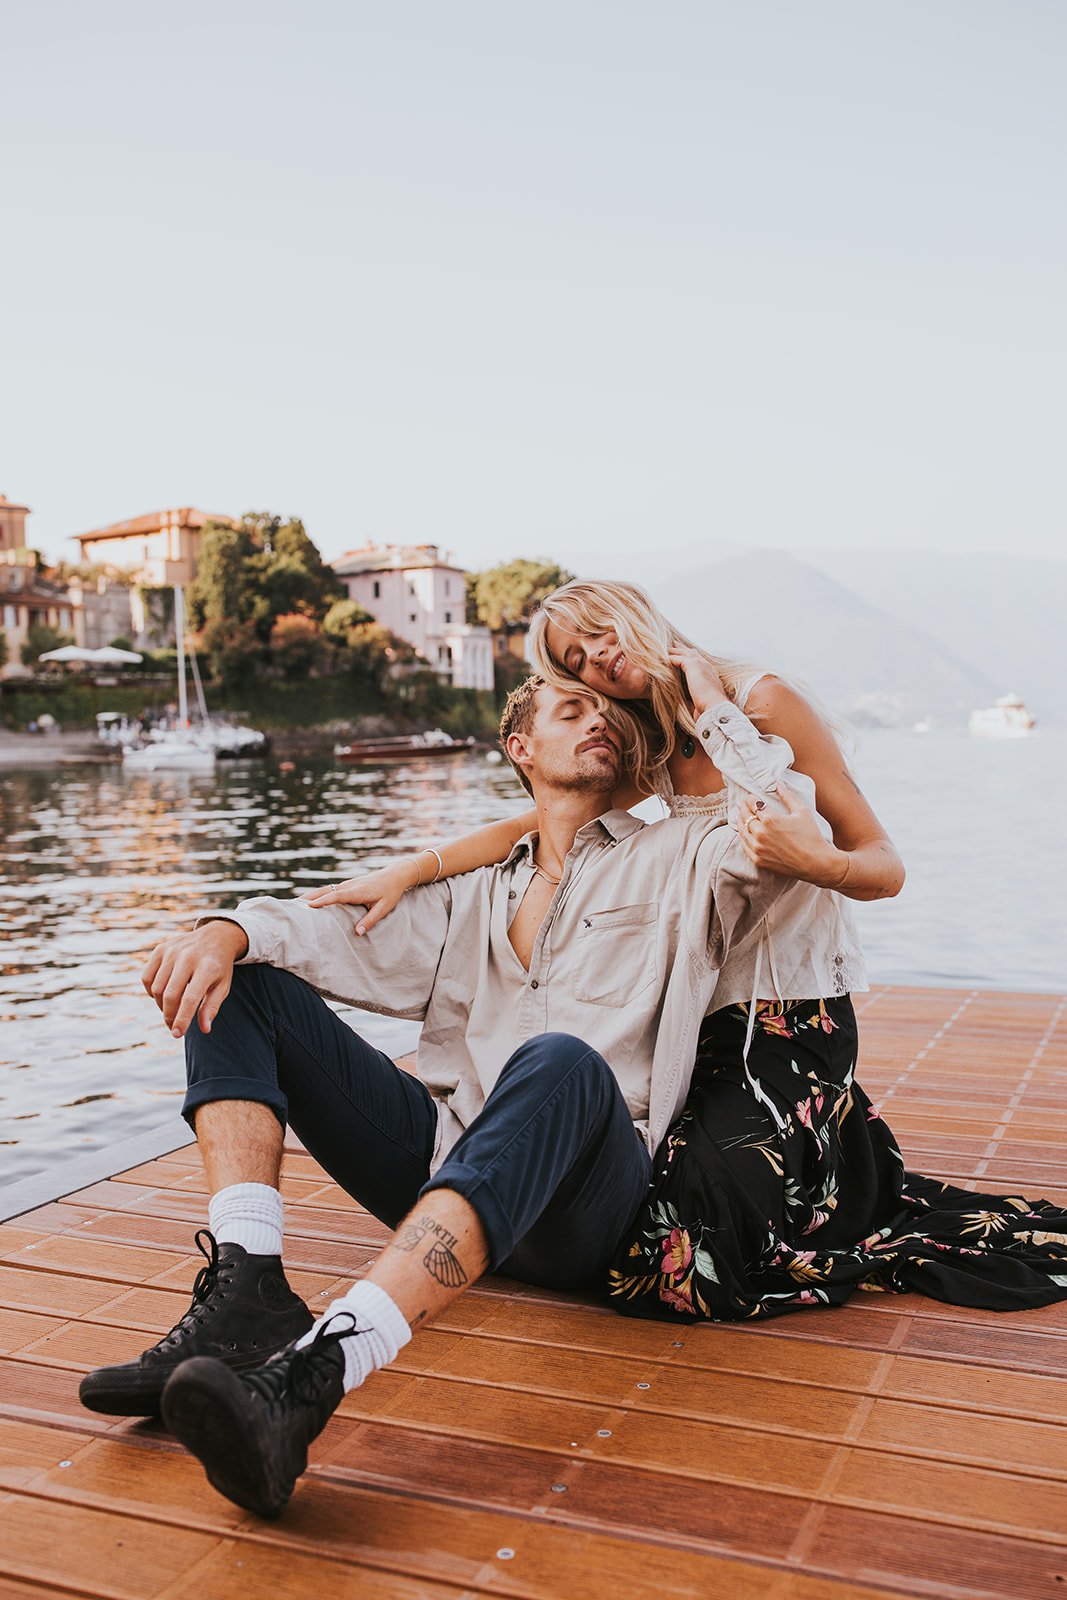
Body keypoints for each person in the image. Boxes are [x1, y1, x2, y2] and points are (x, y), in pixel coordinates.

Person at [79, 675, 801, 1518]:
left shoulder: (683, 857)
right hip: (445, 1175)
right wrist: (223, 931)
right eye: (571, 711)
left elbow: (783, 817)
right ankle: (248, 1290)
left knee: (559, 1061)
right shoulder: (472, 891)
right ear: (519, 747)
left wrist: (697, 688)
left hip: (586, 1213)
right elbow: (322, 932)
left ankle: (313, 1376)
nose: (598, 719)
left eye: (609, 712)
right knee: (241, 978)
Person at [310, 579, 1067, 1322]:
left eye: (600, 633)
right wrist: (412, 868)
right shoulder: (651, 738)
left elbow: (882, 864)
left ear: (636, 612)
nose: (597, 659)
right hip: (696, 1017)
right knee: (645, 1218)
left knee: (684, 1255)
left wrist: (807, 849)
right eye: (574, 660)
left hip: (786, 1016)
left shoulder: (760, 701)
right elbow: (538, 824)